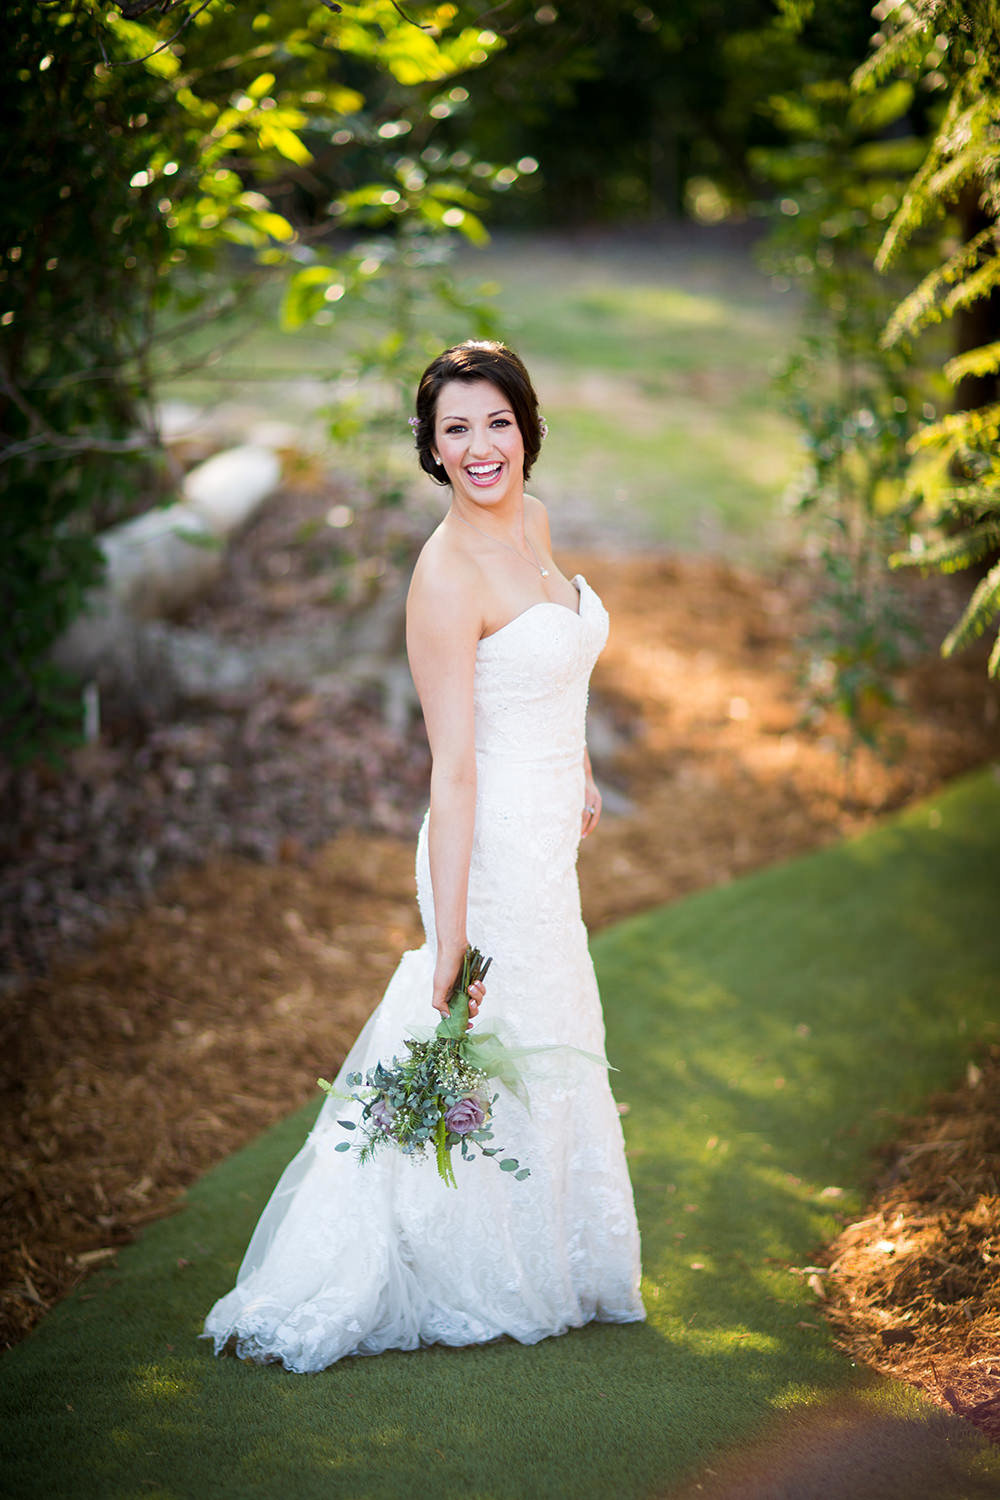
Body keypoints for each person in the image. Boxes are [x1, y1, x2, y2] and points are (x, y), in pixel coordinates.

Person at [202, 340, 645, 1372]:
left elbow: (555, 668)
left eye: (496, 422)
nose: (481, 446)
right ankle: (444, 1268)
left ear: (525, 428)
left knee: (549, 1032)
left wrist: (575, 765)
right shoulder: (442, 577)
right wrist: (448, 936)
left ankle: (551, 1256)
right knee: (473, 1028)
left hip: (545, 837)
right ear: (433, 451)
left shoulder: (531, 525)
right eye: (457, 430)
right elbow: (451, 768)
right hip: (482, 846)